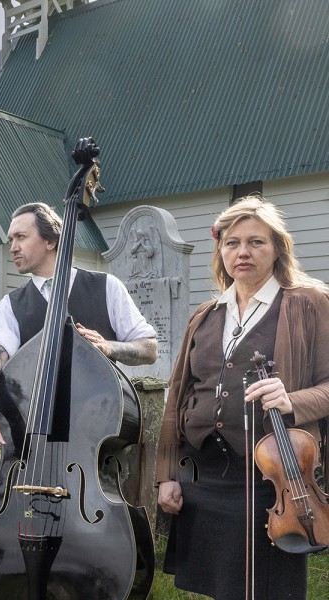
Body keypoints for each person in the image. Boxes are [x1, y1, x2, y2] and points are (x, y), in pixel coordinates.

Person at [155, 195, 329, 600]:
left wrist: (293, 400)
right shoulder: (205, 314)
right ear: (221, 251)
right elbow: (177, 398)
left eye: (256, 242)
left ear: (277, 249)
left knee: (269, 587)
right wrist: (167, 474)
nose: (242, 252)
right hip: (202, 474)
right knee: (218, 587)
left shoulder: (308, 303)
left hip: (270, 478)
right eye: (232, 243)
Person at [0, 202, 158, 456]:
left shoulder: (107, 286)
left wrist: (110, 347)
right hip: (33, 438)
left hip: (94, 431)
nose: (12, 247)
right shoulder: (10, 305)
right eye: (11, 239)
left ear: (50, 241)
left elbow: (149, 348)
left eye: (21, 237)